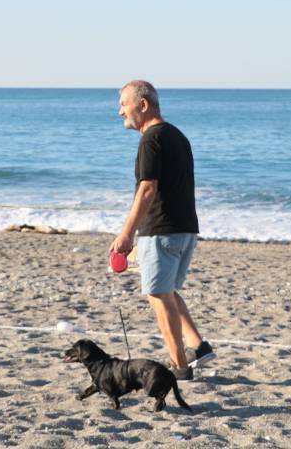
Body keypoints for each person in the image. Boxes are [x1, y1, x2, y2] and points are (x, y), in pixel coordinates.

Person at [111, 80, 215, 381]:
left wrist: (127, 234)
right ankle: (199, 345)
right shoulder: (177, 135)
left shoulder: (151, 139)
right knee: (167, 291)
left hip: (161, 230)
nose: (120, 112)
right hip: (185, 229)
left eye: (123, 104)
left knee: (157, 295)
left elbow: (147, 190)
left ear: (142, 105)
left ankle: (179, 368)